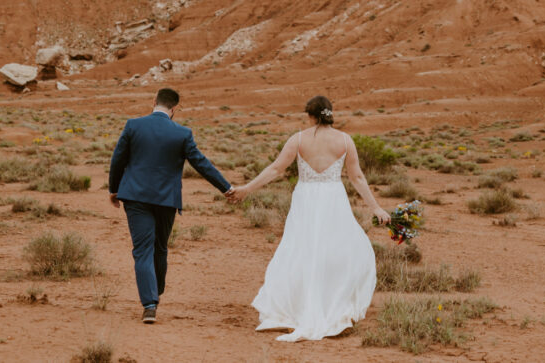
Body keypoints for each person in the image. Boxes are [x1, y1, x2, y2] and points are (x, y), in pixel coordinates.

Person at [230, 95, 390, 341]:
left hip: (306, 199)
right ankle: (332, 301)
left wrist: (246, 189)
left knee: (301, 249)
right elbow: (357, 178)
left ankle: (299, 305)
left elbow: (275, 169)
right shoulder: (345, 141)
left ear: (310, 115)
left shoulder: (299, 139)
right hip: (333, 199)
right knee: (336, 249)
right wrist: (376, 207)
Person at [108, 87, 236, 324]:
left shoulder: (133, 125)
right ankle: (155, 293)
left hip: (136, 197)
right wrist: (225, 187)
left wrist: (114, 189)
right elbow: (201, 164)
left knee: (142, 250)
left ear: (153, 101)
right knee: (160, 248)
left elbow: (118, 159)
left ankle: (149, 304)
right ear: (174, 109)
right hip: (166, 200)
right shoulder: (183, 133)